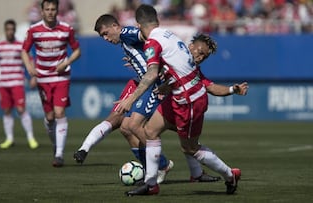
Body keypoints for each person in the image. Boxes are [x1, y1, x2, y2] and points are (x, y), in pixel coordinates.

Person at [116, 4, 242, 196]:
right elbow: (176, 68)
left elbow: (151, 75)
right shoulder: (168, 35)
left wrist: (131, 99)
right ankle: (151, 184)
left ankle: (229, 174)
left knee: (190, 148)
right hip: (178, 96)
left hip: (189, 101)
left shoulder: (153, 42)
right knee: (150, 131)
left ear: (138, 24)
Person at [74, 14, 175, 184]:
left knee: (135, 125)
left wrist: (156, 58)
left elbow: (146, 37)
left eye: (106, 33)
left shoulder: (126, 33)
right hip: (150, 84)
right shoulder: (124, 41)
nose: (105, 38)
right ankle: (161, 166)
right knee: (127, 127)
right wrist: (140, 60)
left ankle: (163, 166)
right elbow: (146, 46)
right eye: (102, 36)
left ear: (115, 26)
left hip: (157, 85)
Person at [21, 0, 81, 167]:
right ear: (41, 11)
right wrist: (29, 67)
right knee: (49, 117)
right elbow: (24, 50)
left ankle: (60, 154)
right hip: (43, 78)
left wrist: (66, 62)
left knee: (59, 112)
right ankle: (56, 145)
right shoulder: (34, 30)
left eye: (53, 9)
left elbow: (77, 50)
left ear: (57, 10)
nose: (50, 12)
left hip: (61, 77)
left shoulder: (66, 29)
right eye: (47, 9)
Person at [0, 19, 39, 150]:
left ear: (14, 30)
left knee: (21, 109)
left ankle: (31, 138)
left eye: (12, 29)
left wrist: (33, 77)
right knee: (7, 110)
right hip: (4, 83)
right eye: (8, 30)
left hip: (17, 82)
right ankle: (9, 138)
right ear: (5, 30)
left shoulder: (20, 45)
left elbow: (30, 60)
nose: (10, 32)